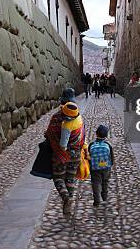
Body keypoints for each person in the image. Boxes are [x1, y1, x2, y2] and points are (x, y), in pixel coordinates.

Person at [44, 88, 85, 216]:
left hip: (60, 155)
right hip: (76, 155)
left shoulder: (56, 117)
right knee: (70, 178)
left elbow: (49, 133)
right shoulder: (78, 117)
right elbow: (82, 135)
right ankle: (68, 204)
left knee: (58, 178)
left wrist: (49, 136)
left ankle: (66, 198)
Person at [88, 125, 114, 207]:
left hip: (95, 168)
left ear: (96, 134)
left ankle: (96, 200)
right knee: (105, 182)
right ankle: (104, 196)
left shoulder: (91, 144)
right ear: (106, 136)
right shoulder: (108, 145)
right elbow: (111, 158)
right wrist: (110, 165)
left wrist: (90, 166)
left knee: (96, 183)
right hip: (106, 168)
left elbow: (89, 157)